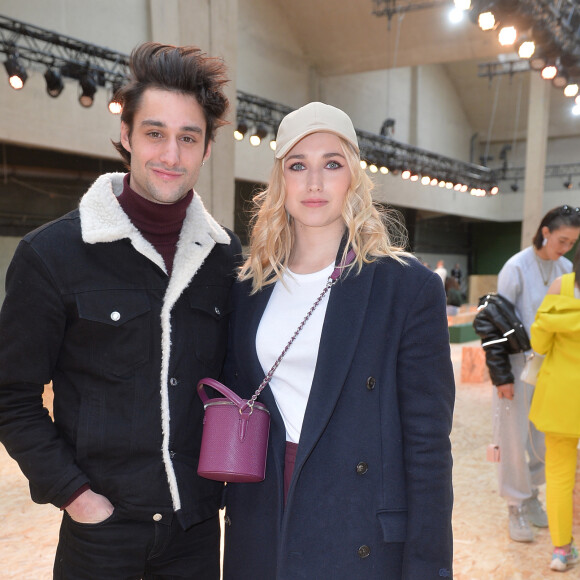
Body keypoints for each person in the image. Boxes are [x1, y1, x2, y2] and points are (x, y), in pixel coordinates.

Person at [0, 42, 241, 579]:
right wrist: (77, 497)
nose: (170, 155)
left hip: (196, 534)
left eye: (188, 138)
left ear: (207, 149)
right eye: (155, 134)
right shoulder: (51, 254)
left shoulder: (227, 261)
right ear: (127, 136)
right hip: (100, 537)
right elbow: (11, 396)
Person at [221, 102, 455, 579]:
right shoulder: (249, 286)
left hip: (357, 523)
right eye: (297, 165)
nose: (313, 182)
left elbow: (428, 446)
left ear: (354, 177)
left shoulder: (405, 287)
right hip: (263, 510)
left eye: (332, 164)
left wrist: (429, 568)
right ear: (279, 180)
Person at [475, 206, 580, 543]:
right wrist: (501, 374)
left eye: (572, 243)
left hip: (550, 369)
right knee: (512, 436)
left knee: (540, 438)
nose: (566, 248)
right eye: (562, 239)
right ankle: (515, 505)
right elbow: (494, 323)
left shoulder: (565, 269)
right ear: (545, 232)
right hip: (516, 364)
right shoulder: (516, 267)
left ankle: (533, 495)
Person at [529, 240, 580, 572]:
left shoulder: (561, 286)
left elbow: (539, 343)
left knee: (559, 475)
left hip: (562, 398)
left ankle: (561, 550)